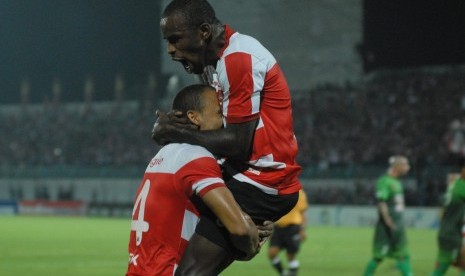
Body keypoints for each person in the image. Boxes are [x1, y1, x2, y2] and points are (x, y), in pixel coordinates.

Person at [153, 0, 302, 274]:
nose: (170, 50)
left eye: (175, 39)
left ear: (204, 32)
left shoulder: (238, 58)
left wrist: (175, 131)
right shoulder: (215, 62)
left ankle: (245, 233)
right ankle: (246, 234)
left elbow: (237, 141)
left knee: (191, 273)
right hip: (242, 174)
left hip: (261, 182)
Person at [126, 84, 264, 276]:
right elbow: (239, 229)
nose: (225, 120)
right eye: (218, 113)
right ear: (194, 117)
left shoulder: (163, 155)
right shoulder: (195, 156)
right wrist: (251, 242)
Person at [363, 155, 413, 276]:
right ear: (397, 167)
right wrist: (388, 220)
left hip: (398, 225)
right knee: (378, 256)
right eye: (405, 165)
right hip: (387, 226)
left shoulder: (397, 182)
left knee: (404, 254)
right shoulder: (384, 181)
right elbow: (381, 202)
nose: (408, 168)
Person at [431, 161, 465, 276]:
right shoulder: (462, 188)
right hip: (452, 234)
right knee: (442, 268)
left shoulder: (454, 184)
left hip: (448, 231)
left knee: (458, 265)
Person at [268, 189, 308, 276]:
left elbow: (303, 212)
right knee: (272, 252)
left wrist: (303, 230)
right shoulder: (277, 191)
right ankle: (282, 273)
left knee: (290, 254)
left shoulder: (299, 193)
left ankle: (293, 273)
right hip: (278, 227)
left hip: (293, 226)